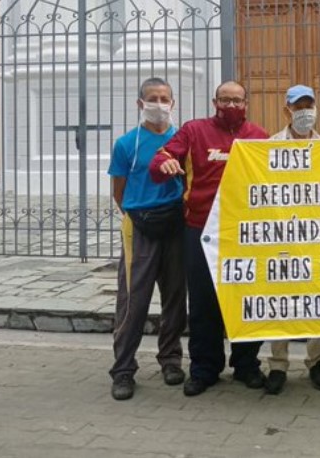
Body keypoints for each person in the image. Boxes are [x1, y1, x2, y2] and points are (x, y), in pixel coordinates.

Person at [149, 81, 269, 397]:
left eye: (237, 100)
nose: (231, 106)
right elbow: (159, 160)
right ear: (214, 101)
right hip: (201, 230)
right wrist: (166, 163)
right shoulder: (194, 131)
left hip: (247, 233)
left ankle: (246, 365)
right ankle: (204, 368)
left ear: (247, 102)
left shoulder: (259, 136)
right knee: (203, 302)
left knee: (248, 300)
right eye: (225, 100)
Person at [107, 77, 186, 401]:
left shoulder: (182, 140)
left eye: (164, 98)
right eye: (152, 98)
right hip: (139, 228)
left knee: (175, 300)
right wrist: (139, 212)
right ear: (141, 104)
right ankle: (123, 370)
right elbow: (119, 192)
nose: (158, 104)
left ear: (173, 103)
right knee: (133, 301)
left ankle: (170, 360)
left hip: (176, 226)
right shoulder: (127, 144)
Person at [264, 84, 320, 394]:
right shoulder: (268, 147)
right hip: (280, 234)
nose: (304, 111)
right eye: (298, 106)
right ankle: (278, 364)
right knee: (280, 298)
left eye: (309, 105)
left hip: (316, 235)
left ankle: (316, 361)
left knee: (315, 298)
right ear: (286, 111)